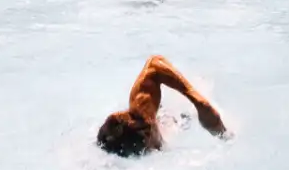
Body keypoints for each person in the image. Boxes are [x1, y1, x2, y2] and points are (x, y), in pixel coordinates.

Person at [97, 56, 229, 157]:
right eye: (149, 147)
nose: (153, 147)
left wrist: (194, 98)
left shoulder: (142, 105)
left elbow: (154, 64)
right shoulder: (117, 149)